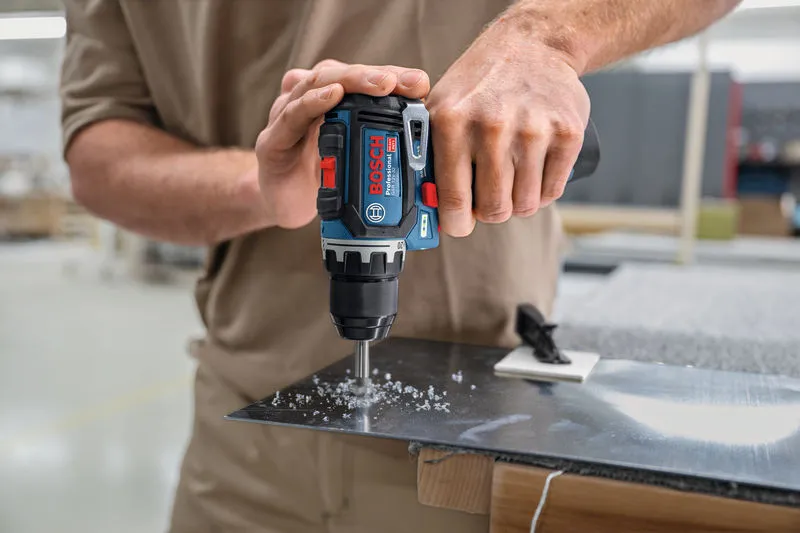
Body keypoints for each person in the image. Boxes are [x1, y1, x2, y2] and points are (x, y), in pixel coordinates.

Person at [59, 1, 741, 531]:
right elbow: (97, 153)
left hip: (484, 424)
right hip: (244, 431)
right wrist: (264, 188)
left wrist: (546, 36)